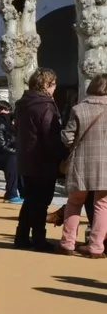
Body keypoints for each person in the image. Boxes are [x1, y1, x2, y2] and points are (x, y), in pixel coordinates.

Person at [58, 73, 107, 258]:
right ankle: (96, 247)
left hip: (81, 163)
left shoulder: (78, 109)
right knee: (102, 206)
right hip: (105, 166)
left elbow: (68, 138)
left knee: (74, 202)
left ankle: (67, 243)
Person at [15, 68, 63, 252]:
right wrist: (61, 154)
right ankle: (38, 238)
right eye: (54, 84)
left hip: (26, 157)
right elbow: (50, 134)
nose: (55, 88)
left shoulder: (23, 103)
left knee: (30, 199)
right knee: (41, 201)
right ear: (47, 84)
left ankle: (22, 236)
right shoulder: (46, 105)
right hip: (43, 159)